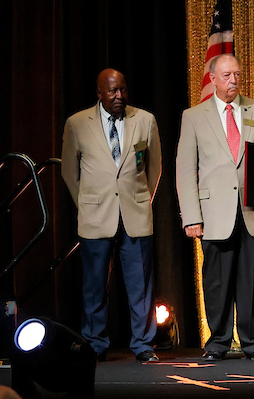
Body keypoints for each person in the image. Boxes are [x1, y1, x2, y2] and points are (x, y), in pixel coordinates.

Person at [176, 53, 254, 362]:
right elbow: (185, 170)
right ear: (213, 79)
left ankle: (252, 342)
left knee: (252, 281)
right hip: (214, 215)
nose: (233, 80)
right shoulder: (194, 116)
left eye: (237, 74)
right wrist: (191, 217)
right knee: (217, 282)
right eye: (226, 75)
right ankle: (217, 342)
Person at [61, 68, 162, 363]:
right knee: (94, 286)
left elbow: (154, 167)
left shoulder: (145, 120)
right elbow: (69, 172)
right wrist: (86, 204)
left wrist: (142, 199)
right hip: (95, 215)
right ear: (99, 93)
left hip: (135, 213)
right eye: (112, 91)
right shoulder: (77, 123)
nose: (119, 96)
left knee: (140, 285)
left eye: (123, 89)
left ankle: (143, 344)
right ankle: (95, 344)